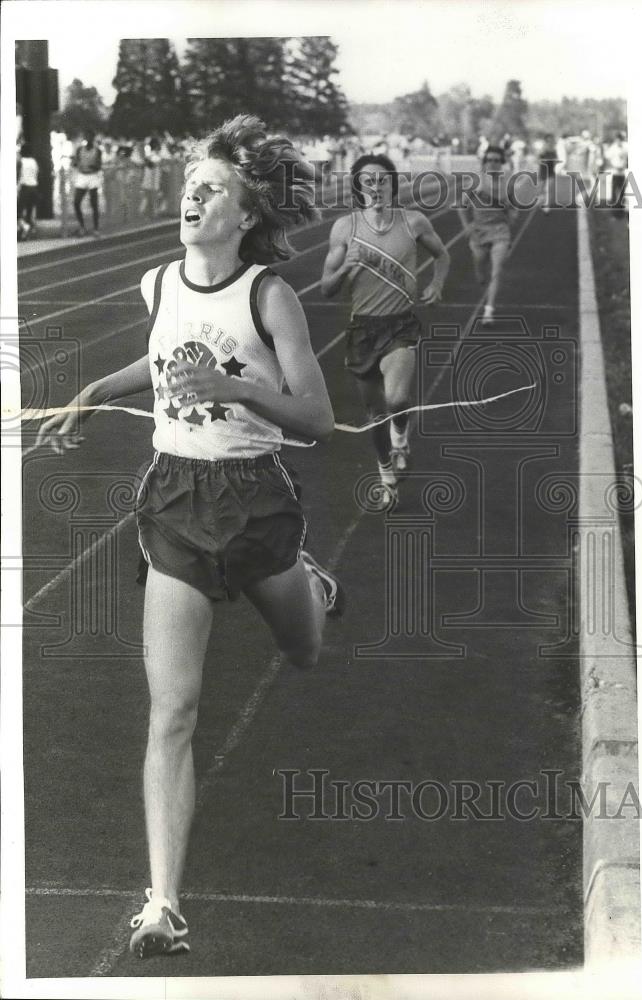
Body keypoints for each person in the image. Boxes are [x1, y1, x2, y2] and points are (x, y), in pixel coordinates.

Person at [36, 114, 343, 958]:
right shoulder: (157, 283)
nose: (191, 198)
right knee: (172, 708)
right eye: (188, 187)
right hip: (173, 498)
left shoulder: (268, 296)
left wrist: (233, 390)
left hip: (255, 501)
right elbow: (160, 354)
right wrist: (97, 386)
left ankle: (307, 585)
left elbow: (317, 418)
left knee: (306, 651)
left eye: (210, 189)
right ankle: (162, 905)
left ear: (245, 214)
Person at [320, 153, 449, 506]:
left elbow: (443, 255)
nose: (375, 187)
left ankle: (401, 436)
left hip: (400, 324)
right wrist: (346, 267)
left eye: (382, 180)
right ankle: (385, 473)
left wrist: (437, 285)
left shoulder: (414, 222)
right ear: (358, 187)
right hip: (362, 329)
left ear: (393, 184)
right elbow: (326, 288)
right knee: (374, 413)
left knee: (398, 399)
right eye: (367, 181)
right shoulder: (345, 229)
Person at [462, 145, 518, 324]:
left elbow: (514, 208)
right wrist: (467, 226)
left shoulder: (507, 183)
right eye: (489, 160)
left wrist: (512, 216)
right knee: (480, 263)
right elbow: (461, 206)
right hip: (478, 232)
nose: (493, 164)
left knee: (496, 271)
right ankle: (479, 270)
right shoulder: (476, 182)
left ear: (501, 163)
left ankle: (488, 311)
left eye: (496, 160)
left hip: (500, 231)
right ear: (484, 163)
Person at [71, 130, 103, 237]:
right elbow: (75, 162)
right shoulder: (80, 149)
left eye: (90, 137)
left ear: (93, 139)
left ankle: (96, 228)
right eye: (86, 137)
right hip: (82, 176)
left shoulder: (97, 151)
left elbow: (99, 166)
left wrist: (92, 166)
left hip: (92, 176)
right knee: (76, 202)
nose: (88, 139)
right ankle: (82, 226)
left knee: (94, 203)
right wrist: (75, 162)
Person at [16, 142, 39, 240]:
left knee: (18, 212)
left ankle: (25, 228)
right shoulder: (34, 162)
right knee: (29, 212)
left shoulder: (21, 161)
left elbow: (17, 175)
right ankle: (28, 232)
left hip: (24, 188)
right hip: (34, 187)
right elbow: (38, 175)